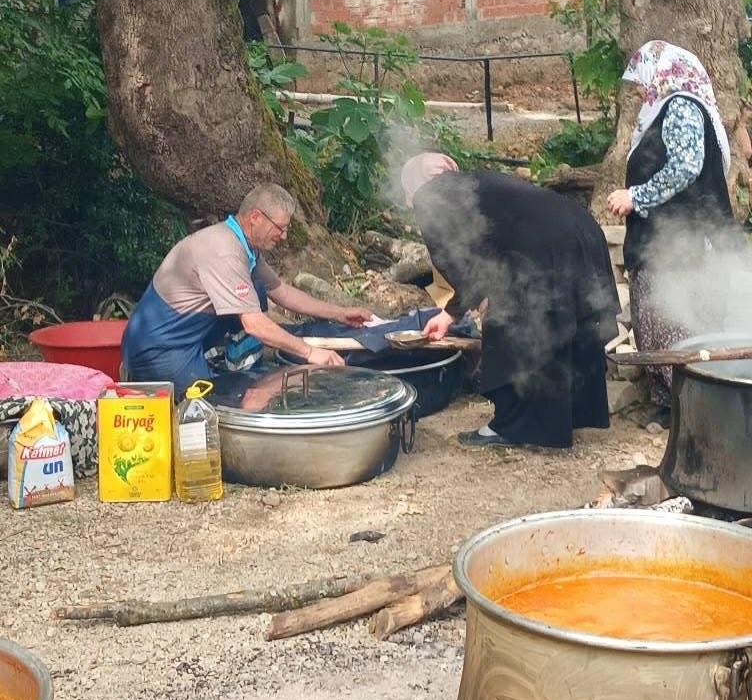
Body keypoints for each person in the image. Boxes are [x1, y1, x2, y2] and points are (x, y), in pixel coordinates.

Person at [401, 152, 620, 449]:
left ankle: (512, 427)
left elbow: (458, 261)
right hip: (583, 230)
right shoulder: (477, 182)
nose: (409, 203)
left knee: (509, 324)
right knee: (562, 325)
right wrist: (452, 312)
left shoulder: (431, 197)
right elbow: (489, 249)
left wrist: (454, 310)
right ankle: (568, 416)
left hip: (546, 246)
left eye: (407, 194)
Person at [122, 184, 372, 395]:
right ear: (255, 217)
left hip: (191, 335)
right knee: (206, 407)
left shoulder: (245, 246)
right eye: (280, 227)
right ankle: (152, 377)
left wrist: (340, 313)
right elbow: (254, 324)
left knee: (257, 290)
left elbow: (282, 292)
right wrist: (310, 352)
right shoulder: (224, 251)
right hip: (161, 347)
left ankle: (235, 364)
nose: (284, 236)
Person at [606, 40, 740, 424]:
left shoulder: (681, 106)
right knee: (659, 319)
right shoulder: (665, 108)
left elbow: (685, 166)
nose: (637, 89)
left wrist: (636, 196)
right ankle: (673, 405)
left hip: (683, 243)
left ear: (661, 73)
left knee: (677, 321)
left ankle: (692, 408)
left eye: (640, 79)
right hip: (664, 240)